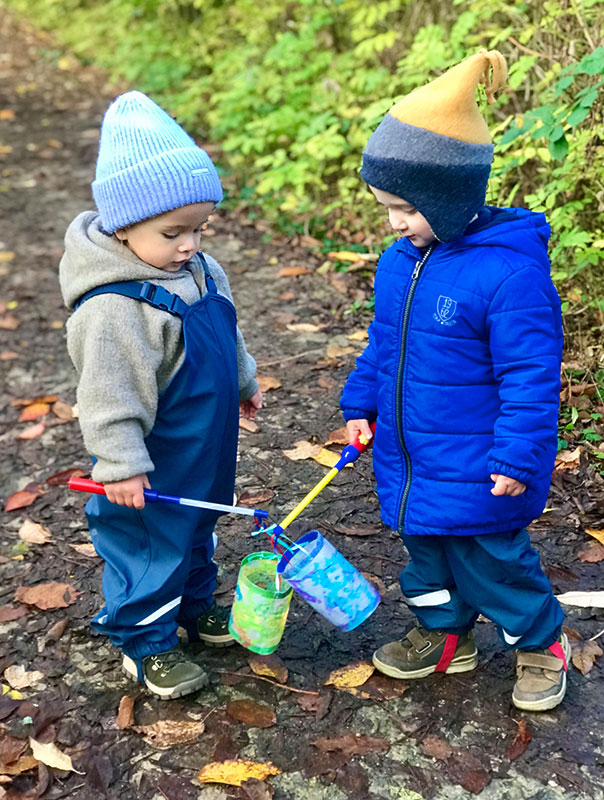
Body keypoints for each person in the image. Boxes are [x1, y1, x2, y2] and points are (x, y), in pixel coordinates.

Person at [341, 50, 569, 712]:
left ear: (449, 197)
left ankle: (540, 642)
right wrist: (362, 401)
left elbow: (530, 377)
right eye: (386, 207)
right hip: (414, 456)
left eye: (406, 209)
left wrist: (519, 457)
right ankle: (444, 636)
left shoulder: (509, 276)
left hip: (479, 462)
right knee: (426, 560)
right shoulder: (400, 261)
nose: (394, 224)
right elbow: (386, 341)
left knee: (494, 563)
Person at [59, 91, 262, 699]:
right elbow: (108, 394)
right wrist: (119, 463)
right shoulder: (115, 309)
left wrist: (244, 378)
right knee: (151, 542)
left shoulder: (201, 270)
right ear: (123, 227)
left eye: (201, 227)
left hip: (206, 445)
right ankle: (145, 643)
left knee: (202, 522)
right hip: (150, 458)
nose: (190, 244)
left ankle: (195, 605)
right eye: (173, 232)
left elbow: (228, 332)